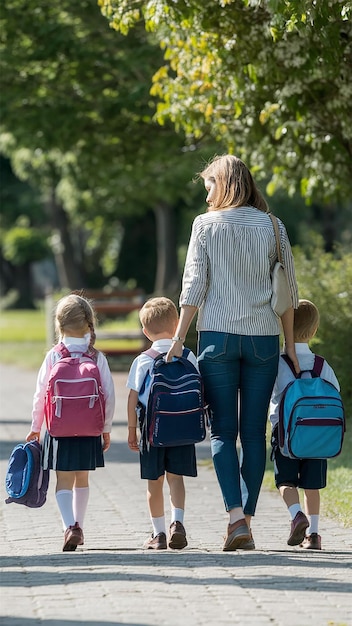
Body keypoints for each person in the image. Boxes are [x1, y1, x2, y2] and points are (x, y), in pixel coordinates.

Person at [166, 154, 299, 551]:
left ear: (224, 183)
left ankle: (235, 518)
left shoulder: (205, 226)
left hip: (217, 338)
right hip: (262, 339)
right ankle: (247, 523)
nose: (206, 194)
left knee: (224, 432)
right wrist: (290, 345)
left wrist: (177, 338)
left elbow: (193, 287)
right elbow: (288, 292)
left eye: (209, 185)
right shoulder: (274, 226)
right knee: (254, 434)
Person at [26, 294, 115, 551]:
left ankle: (69, 527)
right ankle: (79, 526)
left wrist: (35, 427)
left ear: (59, 324)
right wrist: (105, 429)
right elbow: (108, 396)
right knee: (82, 479)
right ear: (90, 322)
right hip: (88, 429)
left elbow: (40, 394)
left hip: (59, 429)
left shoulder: (54, 356)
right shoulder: (96, 357)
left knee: (63, 481)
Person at [126, 296, 198, 550]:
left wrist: (131, 430)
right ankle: (177, 523)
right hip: (183, 427)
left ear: (145, 331)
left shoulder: (143, 359)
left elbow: (133, 397)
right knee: (176, 479)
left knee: (153, 482)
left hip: (151, 430)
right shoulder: (189, 356)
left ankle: (158, 534)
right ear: (177, 323)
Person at [269, 299, 340, 550]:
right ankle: (314, 536)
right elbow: (336, 393)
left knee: (285, 482)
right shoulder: (322, 365)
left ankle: (297, 515)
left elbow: (268, 394)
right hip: (318, 439)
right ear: (314, 331)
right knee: (312, 486)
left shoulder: (277, 362)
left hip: (285, 435)